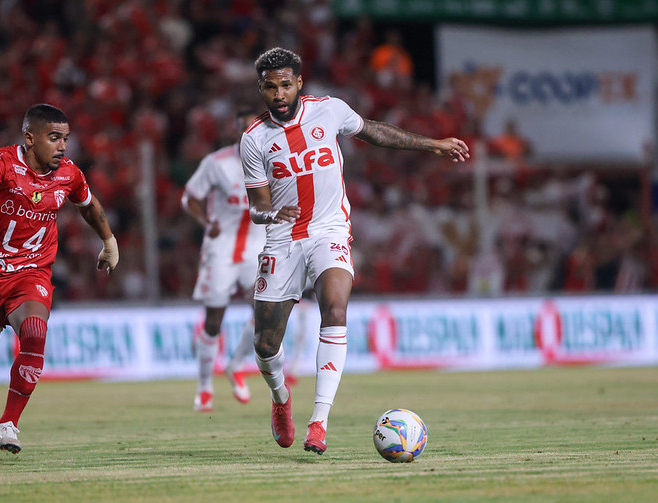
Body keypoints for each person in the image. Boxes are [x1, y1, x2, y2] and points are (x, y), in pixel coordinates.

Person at [240, 47, 469, 455]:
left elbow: (375, 131)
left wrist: (432, 144)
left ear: (299, 83)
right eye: (271, 87)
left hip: (330, 230)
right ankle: (280, 400)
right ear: (261, 88)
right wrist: (272, 210)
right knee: (265, 344)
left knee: (335, 307)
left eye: (286, 85)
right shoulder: (254, 139)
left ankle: (319, 422)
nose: (279, 93)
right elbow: (256, 205)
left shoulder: (329, 110)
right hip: (284, 238)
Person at [0, 103, 119, 453]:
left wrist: (109, 241)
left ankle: (9, 424)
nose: (62, 146)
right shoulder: (1, 162)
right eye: (54, 138)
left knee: (34, 330)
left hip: (31, 272)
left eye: (66, 139)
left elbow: (87, 205)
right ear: (30, 138)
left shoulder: (69, 174)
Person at [182, 109, 266, 412]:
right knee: (214, 320)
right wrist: (207, 222)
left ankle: (235, 365)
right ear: (235, 132)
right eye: (243, 129)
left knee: (265, 314)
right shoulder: (216, 163)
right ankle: (204, 386)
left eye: (254, 129)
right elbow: (189, 197)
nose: (248, 134)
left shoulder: (275, 161)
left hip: (258, 248)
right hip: (221, 250)